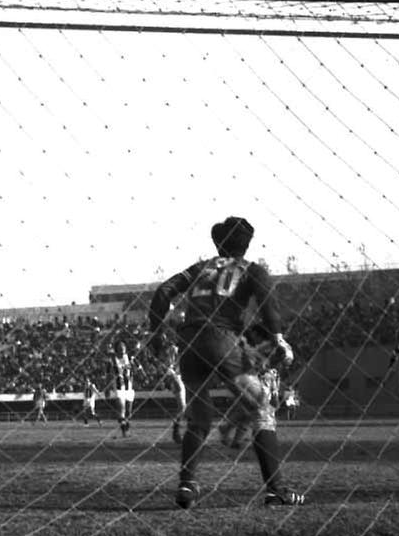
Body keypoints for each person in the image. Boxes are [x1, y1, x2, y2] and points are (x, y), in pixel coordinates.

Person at [147, 216, 302, 508]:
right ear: (247, 244)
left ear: (218, 243)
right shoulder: (252, 270)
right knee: (262, 409)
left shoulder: (200, 268)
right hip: (222, 341)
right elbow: (268, 303)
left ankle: (187, 486)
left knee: (199, 419)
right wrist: (278, 338)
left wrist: (156, 333)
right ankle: (276, 489)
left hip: (189, 345)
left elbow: (163, 292)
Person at [160, 339, 187, 444]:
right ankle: (176, 431)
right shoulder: (171, 355)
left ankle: (178, 431)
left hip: (183, 378)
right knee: (182, 406)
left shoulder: (179, 353)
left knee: (184, 407)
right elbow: (168, 370)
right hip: (176, 378)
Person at [110, 340, 135, 436]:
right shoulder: (112, 360)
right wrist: (107, 388)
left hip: (129, 387)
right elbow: (108, 373)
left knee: (129, 412)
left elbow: (137, 367)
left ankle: (125, 424)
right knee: (122, 409)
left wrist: (143, 374)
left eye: (123, 347)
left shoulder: (129, 357)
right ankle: (124, 430)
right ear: (116, 349)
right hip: (118, 387)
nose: (122, 349)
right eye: (120, 348)